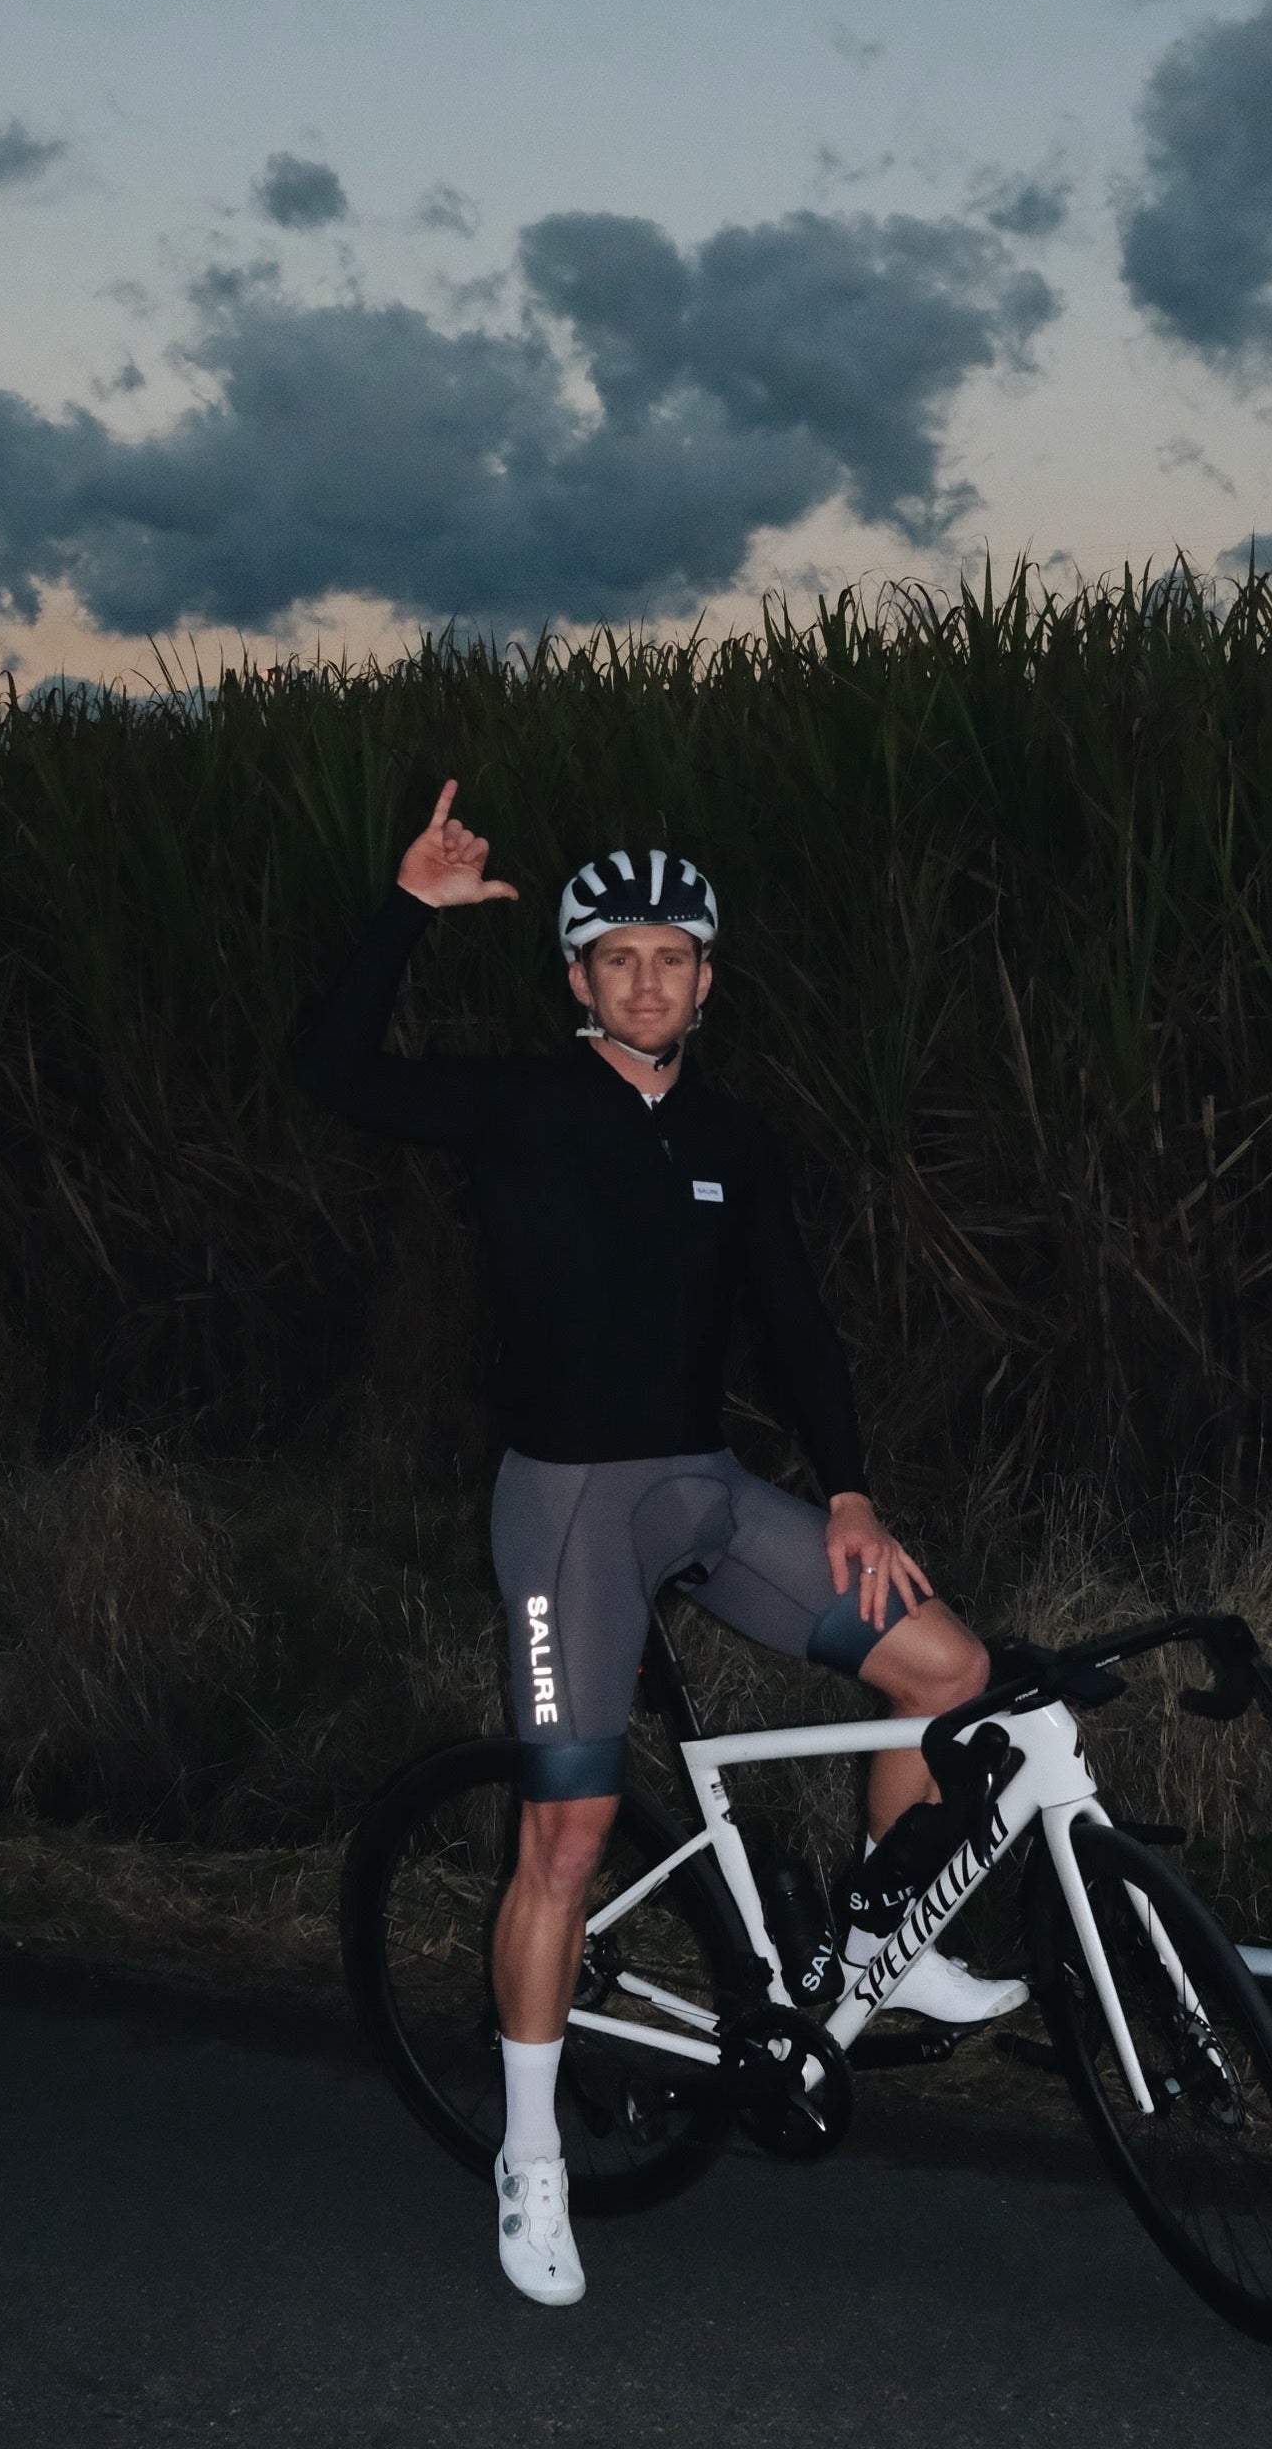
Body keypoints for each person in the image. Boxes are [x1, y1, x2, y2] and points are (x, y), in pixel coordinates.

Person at [293, 782, 1024, 2308]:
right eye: (617, 958)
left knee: (948, 1672)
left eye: (672, 958)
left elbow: (795, 1318)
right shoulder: (518, 1104)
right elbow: (332, 1071)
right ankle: (532, 2158)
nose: (646, 981)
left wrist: (849, 1493)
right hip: (569, 1510)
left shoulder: (732, 1136)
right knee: (565, 1839)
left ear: (707, 981)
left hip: (703, 1488)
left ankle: (881, 1946)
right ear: (577, 978)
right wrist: (409, 910)